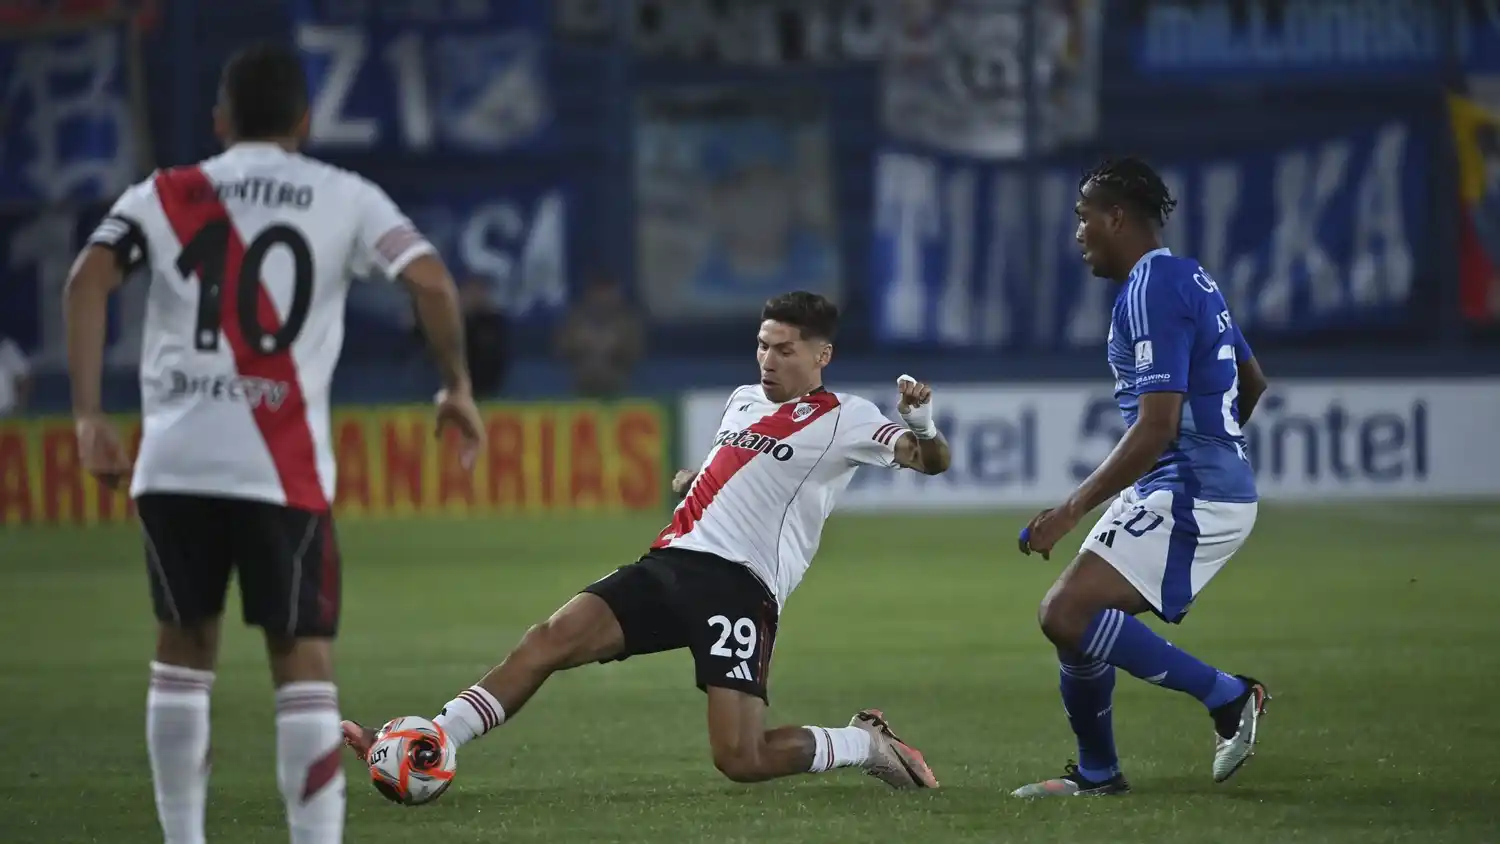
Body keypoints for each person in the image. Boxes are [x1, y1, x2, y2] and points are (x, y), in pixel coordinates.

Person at [64, 42, 485, 844]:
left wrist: (88, 415)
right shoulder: (345, 194)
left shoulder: (165, 192)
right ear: (304, 120)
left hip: (175, 461)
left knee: (183, 652)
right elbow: (430, 278)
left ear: (220, 121)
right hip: (279, 466)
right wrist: (456, 385)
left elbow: (88, 277)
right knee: (300, 659)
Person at [342, 291, 952, 790]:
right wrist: (695, 482)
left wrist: (921, 424)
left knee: (741, 758)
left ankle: (863, 743)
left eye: (784, 350)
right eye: (762, 345)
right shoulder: (742, 402)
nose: (767, 360)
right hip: (670, 564)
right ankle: (433, 739)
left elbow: (929, 461)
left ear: (822, 355)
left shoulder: (846, 416)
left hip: (739, 589)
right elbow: (740, 474)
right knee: (548, 639)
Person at [1012, 158, 1271, 798]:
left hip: (1192, 489)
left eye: (1084, 217)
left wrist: (1069, 510)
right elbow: (1252, 381)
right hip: (1185, 481)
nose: (1078, 232)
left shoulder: (1152, 288)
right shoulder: (1192, 278)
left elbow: (1157, 425)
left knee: (1065, 612)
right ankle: (1098, 775)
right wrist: (1216, 445)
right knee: (1074, 621)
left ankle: (1228, 696)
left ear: (1116, 217)